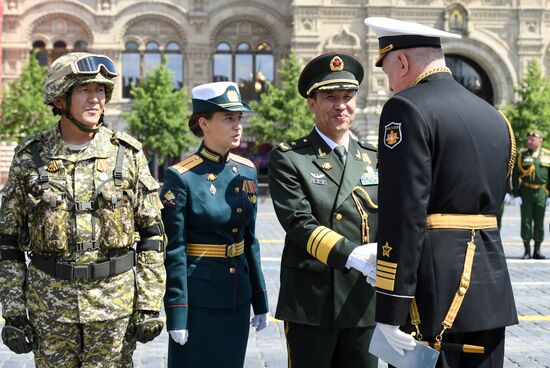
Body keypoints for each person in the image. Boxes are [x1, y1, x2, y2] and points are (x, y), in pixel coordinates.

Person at [364, 17, 518, 367]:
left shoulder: (406, 109)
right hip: (490, 293)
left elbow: (403, 214)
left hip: (432, 300)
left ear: (401, 62)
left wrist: (390, 306)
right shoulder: (495, 117)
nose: (389, 86)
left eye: (387, 71)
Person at [0, 52, 166, 367]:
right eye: (85, 90)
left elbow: (152, 236)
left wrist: (147, 304)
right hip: (49, 308)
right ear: (60, 98)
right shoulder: (30, 158)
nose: (96, 99)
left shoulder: (125, 155)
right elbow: (6, 243)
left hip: (113, 308)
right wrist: (14, 310)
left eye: (101, 91)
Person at [268, 51, 379, 368]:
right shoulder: (290, 158)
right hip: (312, 300)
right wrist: (354, 255)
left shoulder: (376, 157)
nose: (341, 106)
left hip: (363, 299)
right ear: (312, 103)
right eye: (330, 97)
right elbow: (298, 222)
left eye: (348, 96)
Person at [161, 81, 269, 368]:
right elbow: (174, 251)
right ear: (204, 123)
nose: (237, 126)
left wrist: (259, 300)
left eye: (238, 118)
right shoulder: (181, 176)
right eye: (228, 118)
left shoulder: (246, 170)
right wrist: (177, 313)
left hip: (236, 298)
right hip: (200, 302)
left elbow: (250, 240)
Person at [512, 131, 549, 259]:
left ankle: (537, 250)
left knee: (539, 222)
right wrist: (516, 194)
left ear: (540, 141)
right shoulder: (522, 155)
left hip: (541, 193)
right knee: (526, 222)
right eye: (529, 139)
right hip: (526, 192)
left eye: (533, 139)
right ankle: (527, 251)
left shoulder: (547, 155)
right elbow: (515, 175)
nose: (530, 141)